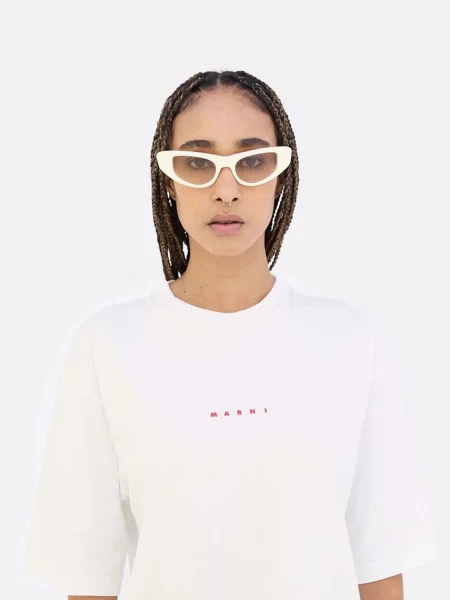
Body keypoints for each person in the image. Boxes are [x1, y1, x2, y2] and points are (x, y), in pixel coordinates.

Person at [21, 70, 436, 600]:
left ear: (281, 176)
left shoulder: (350, 342)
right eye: (197, 163)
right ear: (168, 181)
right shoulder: (108, 345)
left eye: (252, 161)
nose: (226, 189)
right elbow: (87, 575)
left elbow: (379, 566)